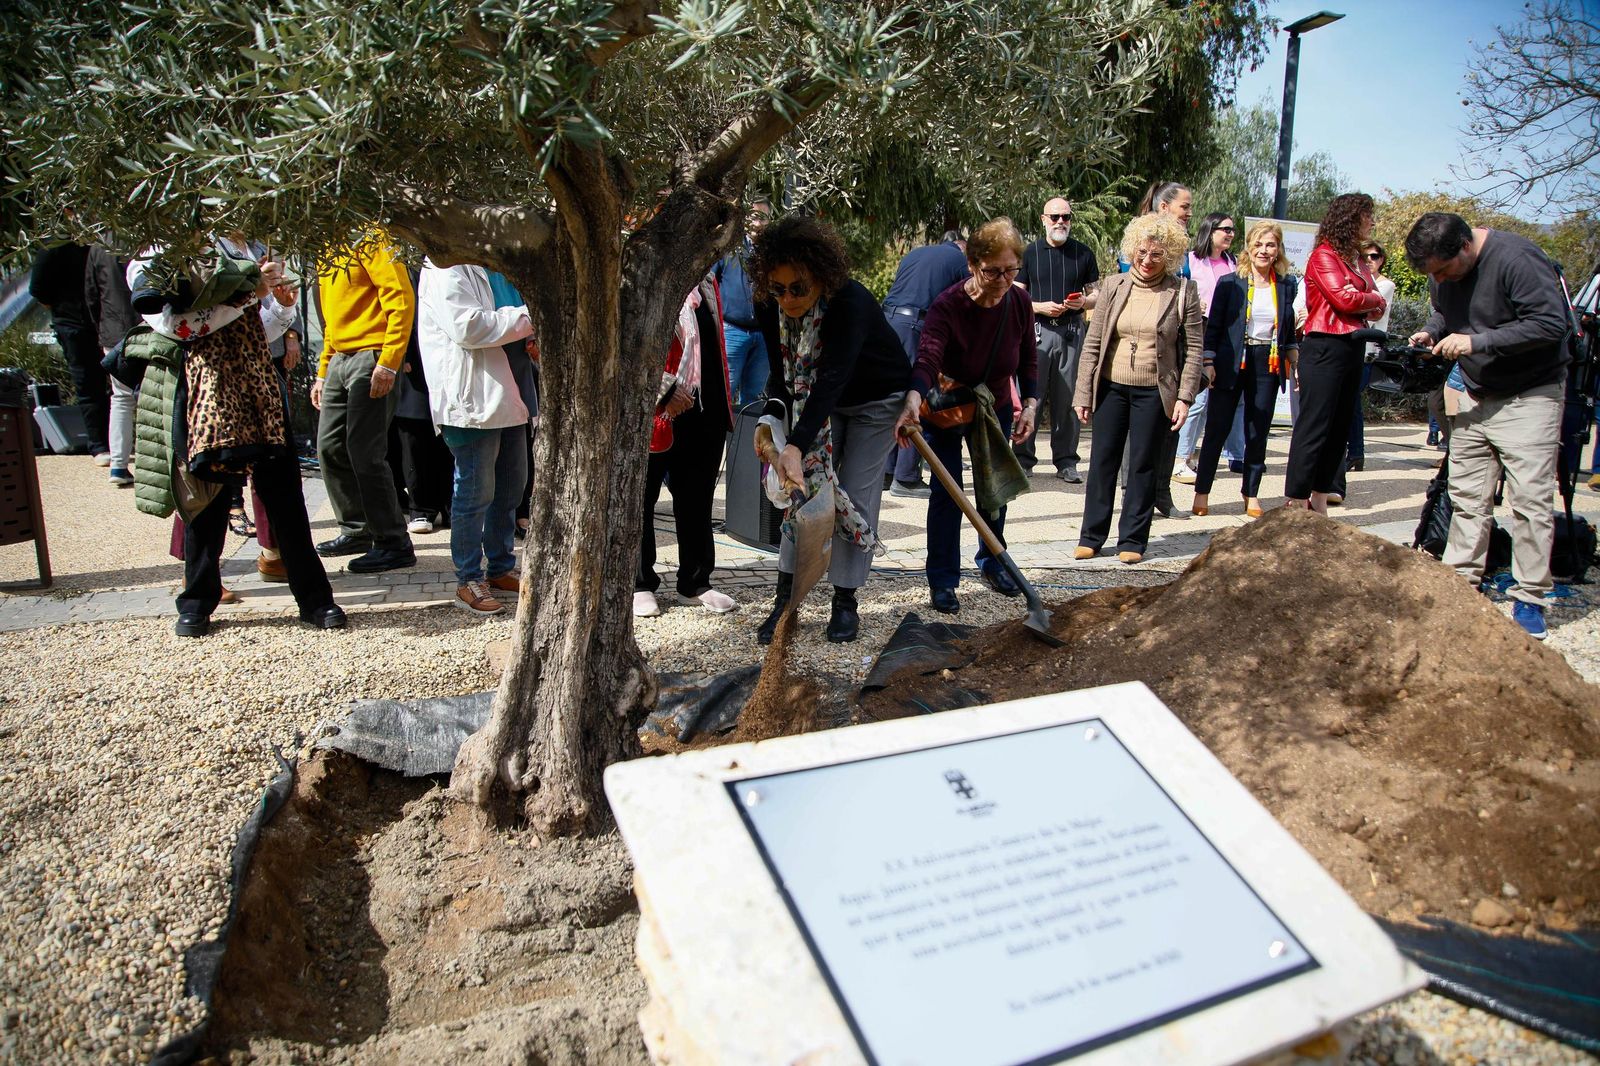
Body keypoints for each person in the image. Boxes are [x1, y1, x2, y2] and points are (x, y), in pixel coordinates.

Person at [126, 242, 345, 637]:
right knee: (205, 502)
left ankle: (316, 600)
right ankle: (196, 603)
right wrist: (249, 293)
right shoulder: (163, 247)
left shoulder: (250, 247)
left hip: (258, 391)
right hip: (202, 395)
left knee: (286, 500)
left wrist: (279, 307)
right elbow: (179, 326)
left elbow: (253, 329)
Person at [1405, 211, 1572, 639]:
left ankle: (1530, 598)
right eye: (1431, 274)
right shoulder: (1439, 272)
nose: (1439, 280)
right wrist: (1431, 330)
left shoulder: (1518, 259)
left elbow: (1551, 325)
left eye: (1444, 270)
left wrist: (1478, 341)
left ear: (1465, 245)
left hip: (1529, 393)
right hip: (1474, 391)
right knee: (1467, 496)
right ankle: (1461, 585)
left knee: (1530, 501)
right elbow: (1445, 313)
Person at [753, 215, 909, 641]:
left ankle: (845, 601)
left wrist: (796, 445)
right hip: (820, 398)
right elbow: (783, 376)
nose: (788, 299)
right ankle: (785, 603)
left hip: (877, 397)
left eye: (798, 288)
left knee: (854, 494)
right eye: (778, 288)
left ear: (821, 276)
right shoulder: (768, 303)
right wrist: (773, 424)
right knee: (801, 496)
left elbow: (832, 378)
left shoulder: (849, 302)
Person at [894, 218, 1037, 614]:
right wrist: (912, 398)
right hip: (948, 404)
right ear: (972, 264)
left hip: (995, 405)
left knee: (995, 487)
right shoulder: (949, 305)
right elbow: (927, 358)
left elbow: (1027, 357)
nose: (1003, 279)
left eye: (1011, 270)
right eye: (993, 271)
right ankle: (942, 578)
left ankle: (994, 561)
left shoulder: (1019, 301)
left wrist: (1031, 402)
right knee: (947, 492)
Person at [1073, 213, 1204, 564]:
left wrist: (1185, 397)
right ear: (1132, 250)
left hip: (1155, 390)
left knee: (1143, 466)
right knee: (1102, 462)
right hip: (1111, 387)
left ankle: (1133, 539)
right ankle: (1092, 536)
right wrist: (1083, 393)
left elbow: (1193, 352)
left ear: (1170, 256)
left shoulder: (1183, 291)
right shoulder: (1114, 285)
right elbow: (1093, 342)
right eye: (1142, 252)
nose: (1147, 261)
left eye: (1157, 255)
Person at [416, 259, 534, 616]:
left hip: (511, 391)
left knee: (512, 485)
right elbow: (468, 327)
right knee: (474, 491)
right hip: (472, 398)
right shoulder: (444, 266)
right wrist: (531, 316)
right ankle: (468, 578)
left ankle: (499, 568)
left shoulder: (501, 263)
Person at [312, 230, 417, 573]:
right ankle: (356, 529)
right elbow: (332, 318)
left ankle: (393, 541)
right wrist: (323, 370)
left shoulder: (372, 238)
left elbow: (400, 297)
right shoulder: (327, 245)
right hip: (340, 358)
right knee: (329, 448)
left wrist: (389, 359)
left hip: (371, 356)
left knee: (365, 453)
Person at [636, 275, 738, 620]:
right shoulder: (646, 267)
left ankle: (694, 582)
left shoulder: (707, 278)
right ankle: (639, 583)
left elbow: (713, 343)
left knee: (696, 498)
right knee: (641, 497)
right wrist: (662, 388)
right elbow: (630, 339)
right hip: (652, 406)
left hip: (703, 405)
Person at [1283, 193, 1387, 514]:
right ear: (1350, 218)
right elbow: (1345, 299)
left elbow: (1375, 302)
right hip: (1325, 346)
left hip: (1353, 346)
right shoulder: (1323, 255)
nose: (1371, 221)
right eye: (1367, 215)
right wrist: (1369, 298)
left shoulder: (1354, 259)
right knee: (1314, 425)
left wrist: (1367, 298)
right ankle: (1297, 499)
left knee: (1339, 426)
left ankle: (1319, 497)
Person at [1192, 221, 1299, 519]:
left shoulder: (1287, 284)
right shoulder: (1230, 282)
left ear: (1278, 250)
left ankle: (1250, 493)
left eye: (1270, 245)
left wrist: (1296, 363)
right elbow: (1214, 329)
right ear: (1249, 248)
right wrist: (1209, 362)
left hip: (1269, 360)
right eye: (1259, 244)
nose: (1264, 251)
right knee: (1217, 428)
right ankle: (1202, 492)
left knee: (1257, 431)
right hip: (1231, 361)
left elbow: (1289, 333)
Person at [1014, 196, 1099, 483]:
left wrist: (1084, 302)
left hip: (1072, 333)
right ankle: (1022, 459)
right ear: (1043, 220)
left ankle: (1066, 461)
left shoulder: (1084, 253)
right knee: (1031, 397)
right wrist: (1038, 306)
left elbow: (1097, 295)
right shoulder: (1029, 253)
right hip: (1036, 332)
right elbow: (1015, 296)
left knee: (1069, 399)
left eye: (1066, 217)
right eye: (1055, 217)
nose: (1061, 222)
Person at [879, 229, 969, 497]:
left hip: (889, 322)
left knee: (896, 395)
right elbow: (967, 303)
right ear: (962, 248)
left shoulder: (916, 254)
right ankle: (906, 477)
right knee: (921, 394)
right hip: (917, 325)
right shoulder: (959, 261)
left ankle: (887, 470)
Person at [1173, 212, 1241, 485]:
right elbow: (1180, 290)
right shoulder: (1191, 260)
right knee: (1197, 396)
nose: (1230, 234)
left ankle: (1189, 455)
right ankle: (1179, 459)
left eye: (1233, 230)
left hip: (1225, 334)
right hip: (1198, 329)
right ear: (1210, 230)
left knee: (1213, 397)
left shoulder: (1233, 262)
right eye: (1225, 229)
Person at [29, 241, 111, 462]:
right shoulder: (54, 246)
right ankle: (99, 444)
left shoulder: (100, 242)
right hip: (75, 324)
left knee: (111, 386)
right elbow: (38, 290)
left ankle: (110, 442)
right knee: (89, 384)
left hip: (103, 321)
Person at [84, 243, 138, 486]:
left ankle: (118, 464)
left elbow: (92, 294)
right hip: (146, 326)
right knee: (157, 398)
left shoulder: (98, 246)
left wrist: (101, 327)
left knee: (121, 398)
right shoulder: (147, 236)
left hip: (113, 329)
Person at [713, 197, 774, 407]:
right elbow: (709, 282)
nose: (758, 223)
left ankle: (747, 440)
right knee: (724, 392)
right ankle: (721, 441)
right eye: (755, 217)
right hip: (732, 330)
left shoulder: (773, 252)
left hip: (764, 335)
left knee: (753, 400)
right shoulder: (731, 246)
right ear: (746, 218)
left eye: (763, 218)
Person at [1345, 240, 1397, 473]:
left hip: (1368, 351)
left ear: (1381, 259)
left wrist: (1353, 293)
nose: (1369, 261)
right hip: (1351, 348)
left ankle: (1356, 451)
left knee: (1352, 401)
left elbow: (1367, 310)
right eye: (1364, 257)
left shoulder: (1385, 285)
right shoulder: (1361, 282)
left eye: (1374, 256)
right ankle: (1355, 452)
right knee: (1350, 402)